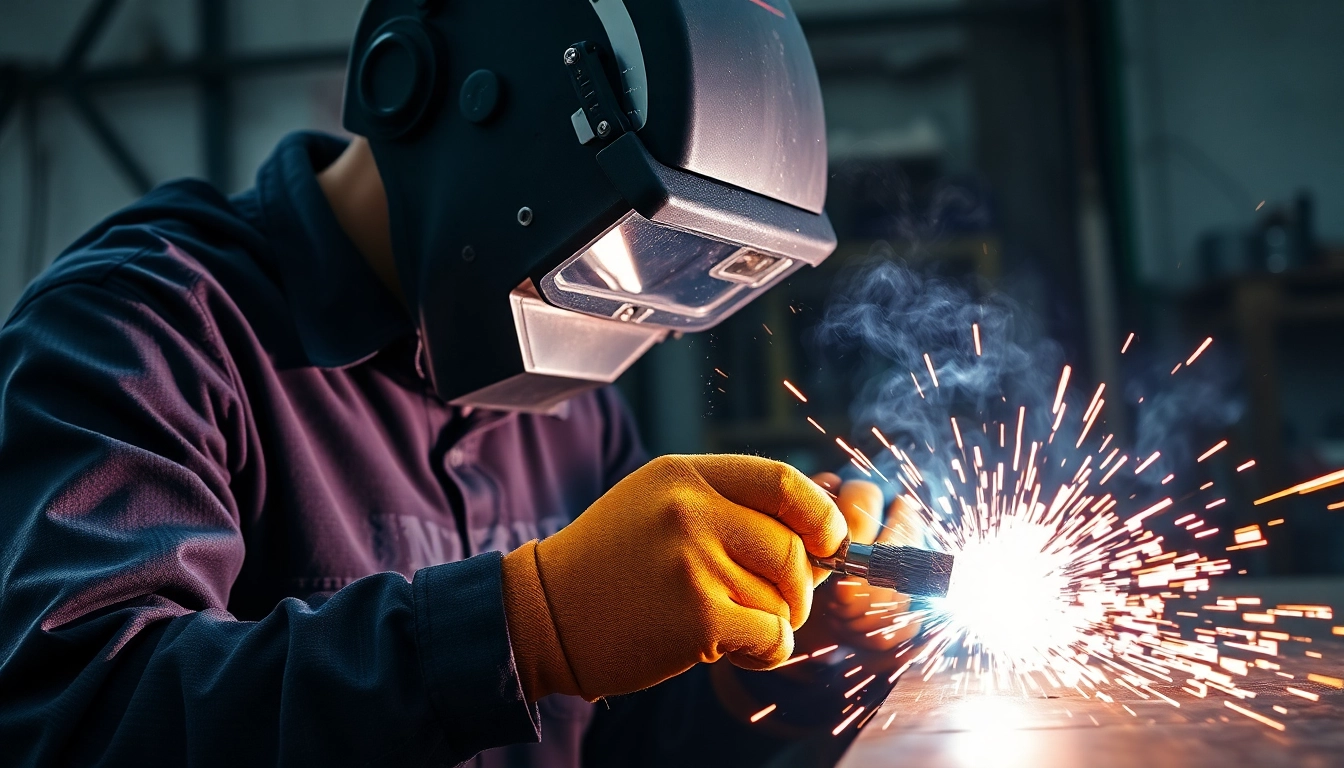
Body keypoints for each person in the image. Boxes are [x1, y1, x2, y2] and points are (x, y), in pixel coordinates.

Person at [0, 1, 920, 765]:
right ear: (432, 91)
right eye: (618, 248)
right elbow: (81, 720)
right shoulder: (144, 328)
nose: (621, 301)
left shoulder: (570, 396)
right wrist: (526, 626)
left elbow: (619, 745)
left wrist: (762, 670)